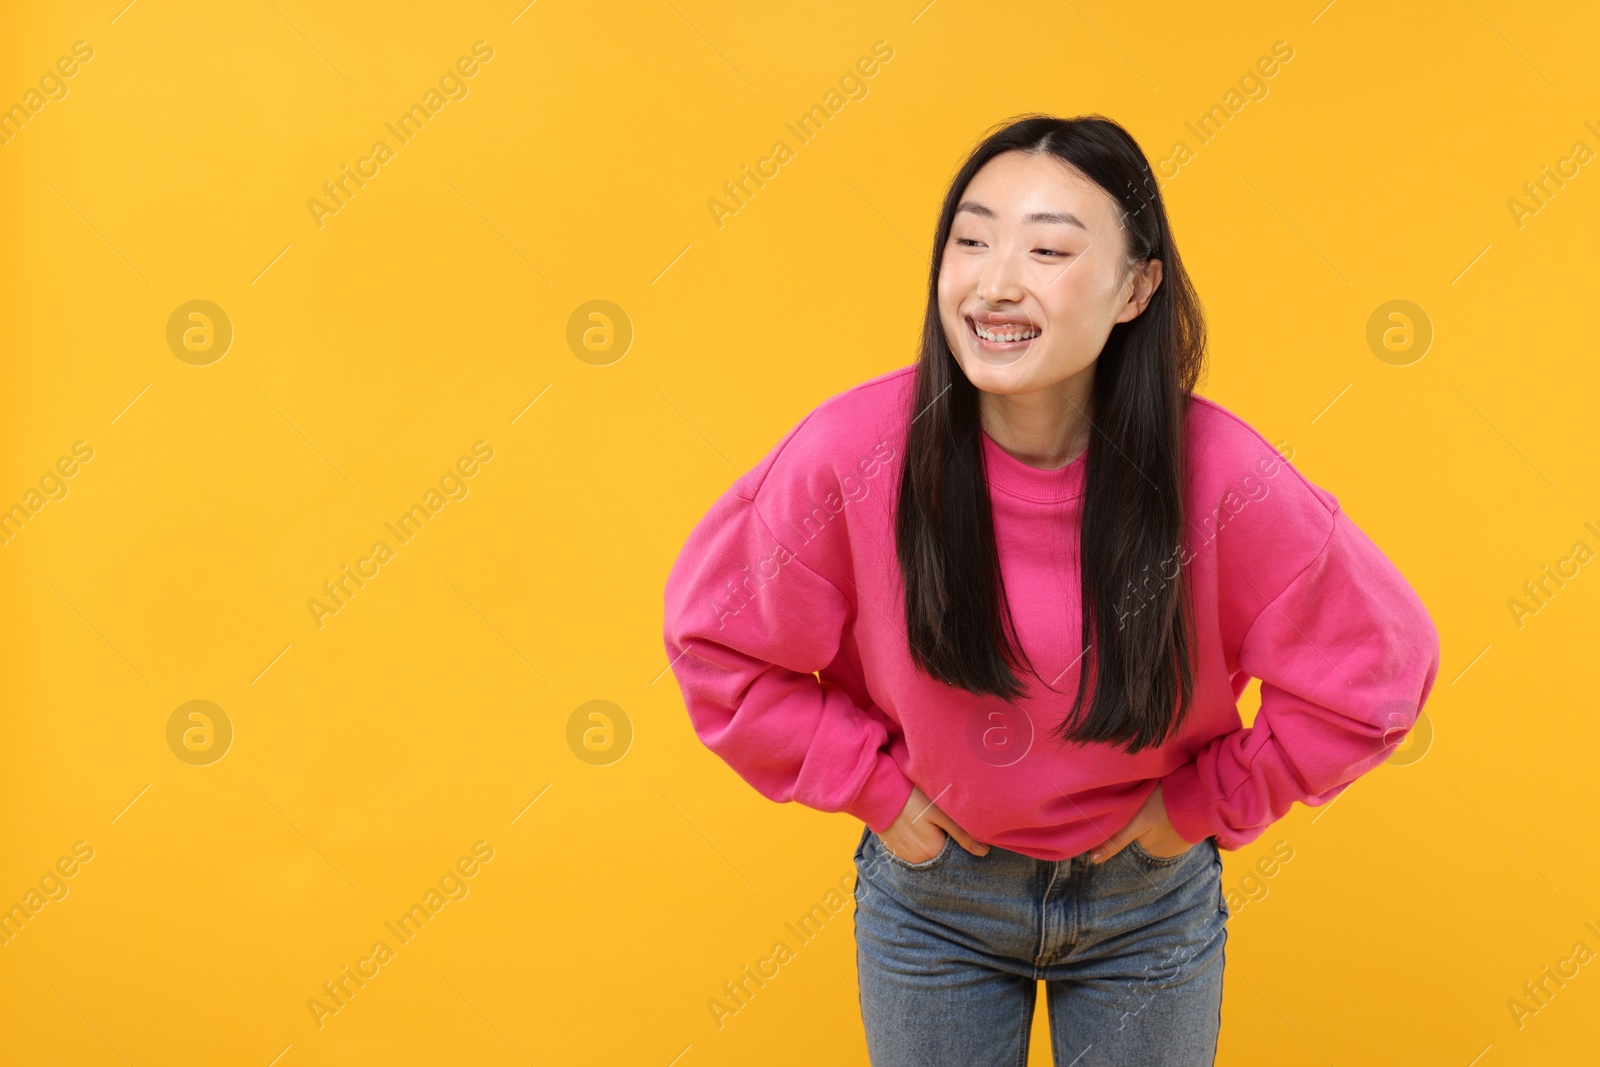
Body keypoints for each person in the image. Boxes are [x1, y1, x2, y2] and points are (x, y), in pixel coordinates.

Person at [660, 113, 1440, 1066]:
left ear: (1136, 287)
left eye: (1047, 250)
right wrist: (866, 782)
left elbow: (1377, 669)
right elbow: (715, 640)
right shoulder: (852, 453)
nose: (994, 281)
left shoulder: (1221, 476)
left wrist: (1209, 802)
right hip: (936, 901)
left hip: (1145, 908)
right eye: (971, 239)